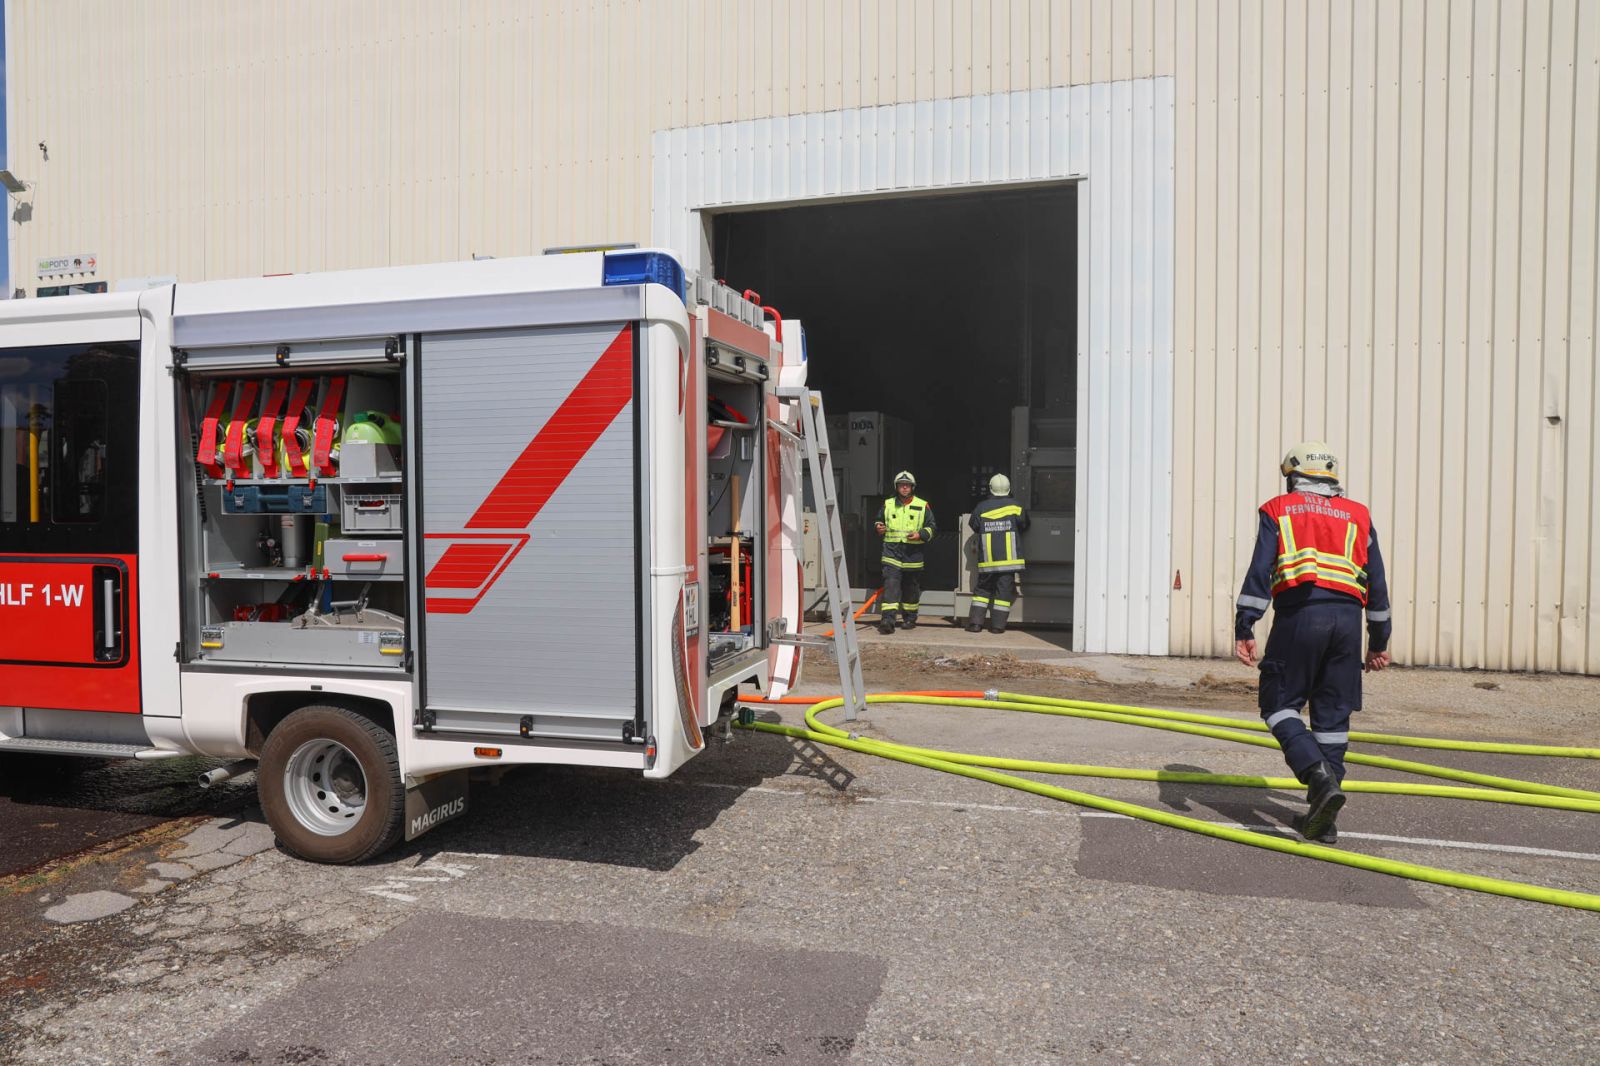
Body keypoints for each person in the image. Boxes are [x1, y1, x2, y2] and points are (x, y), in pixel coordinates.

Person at [1235, 441, 1392, 845]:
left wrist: (1245, 625)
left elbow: (1260, 569)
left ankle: (1316, 775)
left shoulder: (1279, 509)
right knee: (1333, 721)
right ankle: (1324, 816)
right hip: (1348, 625)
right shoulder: (1358, 515)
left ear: (1293, 476)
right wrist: (1379, 640)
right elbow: (1376, 582)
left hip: (1300, 616)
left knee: (1277, 705)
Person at [874, 471, 935, 634]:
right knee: (891, 586)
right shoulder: (888, 504)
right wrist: (878, 527)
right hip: (891, 553)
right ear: (897, 487)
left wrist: (920, 535)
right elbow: (878, 520)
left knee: (910, 588)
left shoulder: (923, 505)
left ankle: (909, 618)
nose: (905, 488)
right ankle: (887, 621)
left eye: (907, 485)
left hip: (913, 554)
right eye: (901, 485)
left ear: (912, 487)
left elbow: (932, 528)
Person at [966, 473, 1029, 633]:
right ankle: (997, 626)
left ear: (991, 489)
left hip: (988, 560)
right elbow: (1025, 524)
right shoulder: (1016, 506)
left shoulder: (981, 507)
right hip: (1009, 561)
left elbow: (974, 525)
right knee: (1003, 591)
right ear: (1008, 488)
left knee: (982, 590)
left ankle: (975, 624)